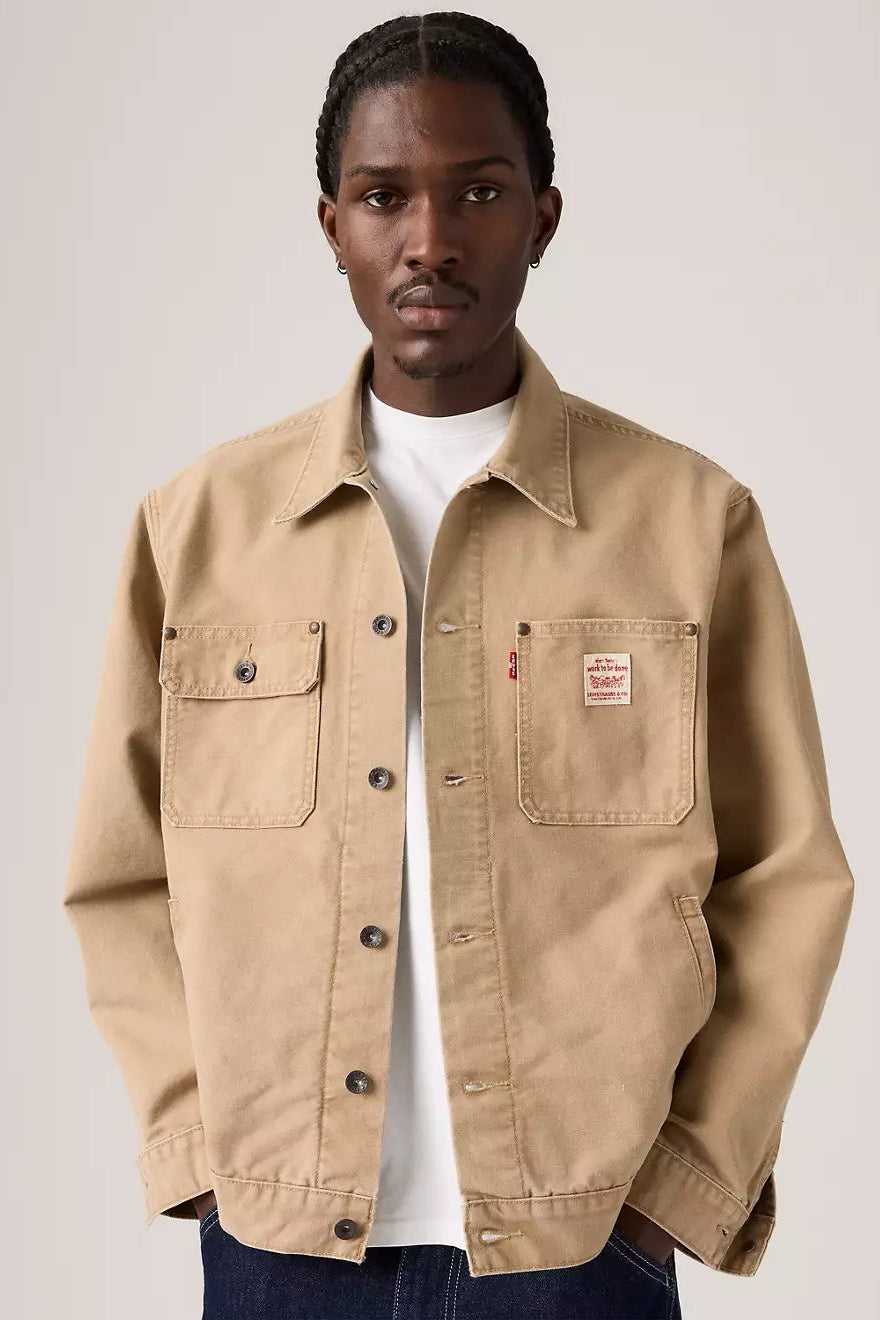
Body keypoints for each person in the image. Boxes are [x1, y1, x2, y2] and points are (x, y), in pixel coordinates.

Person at [62, 11, 855, 1320]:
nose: (429, 240)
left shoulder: (687, 523)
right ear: (333, 227)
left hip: (582, 1249)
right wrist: (197, 1152)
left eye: (478, 193)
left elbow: (787, 878)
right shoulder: (198, 531)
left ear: (543, 217)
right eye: (385, 197)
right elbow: (121, 874)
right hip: (280, 1249)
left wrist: (683, 1183)